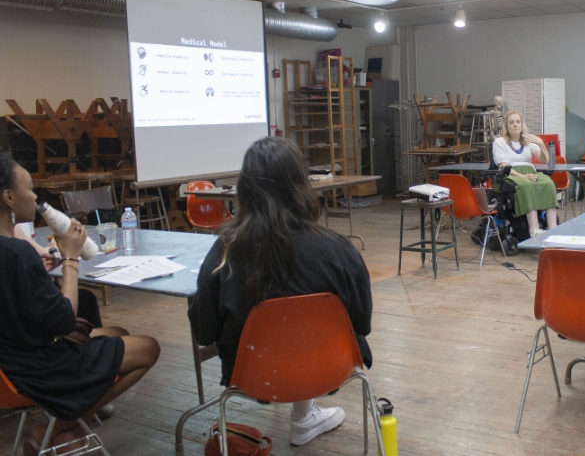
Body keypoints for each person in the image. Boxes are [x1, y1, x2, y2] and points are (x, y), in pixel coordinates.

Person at [188, 137, 373, 447]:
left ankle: (307, 415)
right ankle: (306, 415)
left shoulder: (224, 253)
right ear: (301, 184)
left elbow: (204, 332)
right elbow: (362, 323)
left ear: (245, 189)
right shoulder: (338, 250)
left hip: (251, 374)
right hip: (331, 367)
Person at [0, 151, 159, 451]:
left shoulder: (14, 253)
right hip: (40, 368)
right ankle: (55, 429)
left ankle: (66, 427)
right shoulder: (17, 255)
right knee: (149, 347)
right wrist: (71, 257)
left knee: (118, 334)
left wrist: (49, 265)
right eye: (30, 188)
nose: (35, 197)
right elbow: (62, 320)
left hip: (9, 367)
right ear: (8, 197)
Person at [492, 110, 559, 236]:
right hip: (511, 173)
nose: (515, 125)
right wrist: (523, 176)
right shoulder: (500, 142)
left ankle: (553, 228)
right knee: (527, 185)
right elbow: (503, 166)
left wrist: (540, 143)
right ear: (506, 126)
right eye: (512, 122)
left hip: (530, 171)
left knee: (549, 184)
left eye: (518, 122)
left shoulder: (528, 140)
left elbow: (545, 160)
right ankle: (534, 230)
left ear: (522, 124)